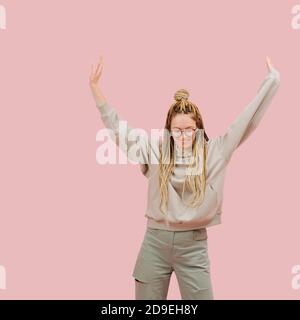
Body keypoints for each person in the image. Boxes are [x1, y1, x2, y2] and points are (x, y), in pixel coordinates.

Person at [89, 56, 280, 300]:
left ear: (198, 128)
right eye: (177, 130)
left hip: (193, 246)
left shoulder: (215, 152)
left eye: (189, 129)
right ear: (168, 130)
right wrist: (96, 89)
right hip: (154, 244)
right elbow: (118, 130)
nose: (182, 135)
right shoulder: (155, 150)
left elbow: (245, 121)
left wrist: (272, 80)